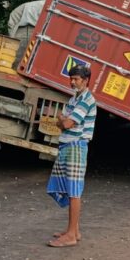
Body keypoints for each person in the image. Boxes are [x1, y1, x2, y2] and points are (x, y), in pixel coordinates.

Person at [47, 64, 97, 248]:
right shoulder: (75, 98)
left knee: (74, 191)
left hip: (76, 146)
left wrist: (63, 121)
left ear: (85, 81)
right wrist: (63, 121)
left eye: (76, 79)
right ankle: (74, 230)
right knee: (70, 188)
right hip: (68, 145)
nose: (72, 82)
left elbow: (66, 122)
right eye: (72, 78)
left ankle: (71, 235)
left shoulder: (86, 99)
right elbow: (62, 121)